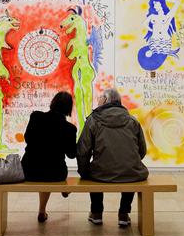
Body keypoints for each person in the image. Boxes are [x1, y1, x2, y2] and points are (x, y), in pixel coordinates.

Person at [76, 88, 149, 227]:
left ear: (104, 100)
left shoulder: (93, 120)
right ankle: (123, 214)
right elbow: (142, 150)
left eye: (99, 98)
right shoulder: (132, 121)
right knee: (130, 170)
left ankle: (96, 213)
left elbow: (83, 150)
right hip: (131, 173)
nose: (97, 100)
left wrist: (83, 172)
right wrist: (129, 162)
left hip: (101, 173)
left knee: (94, 170)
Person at [21, 91, 77, 223]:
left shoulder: (36, 117)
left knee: (42, 169)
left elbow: (27, 138)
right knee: (49, 172)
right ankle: (64, 189)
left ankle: (42, 211)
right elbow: (71, 154)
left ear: (53, 103)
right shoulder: (69, 128)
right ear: (69, 108)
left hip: (29, 171)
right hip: (55, 173)